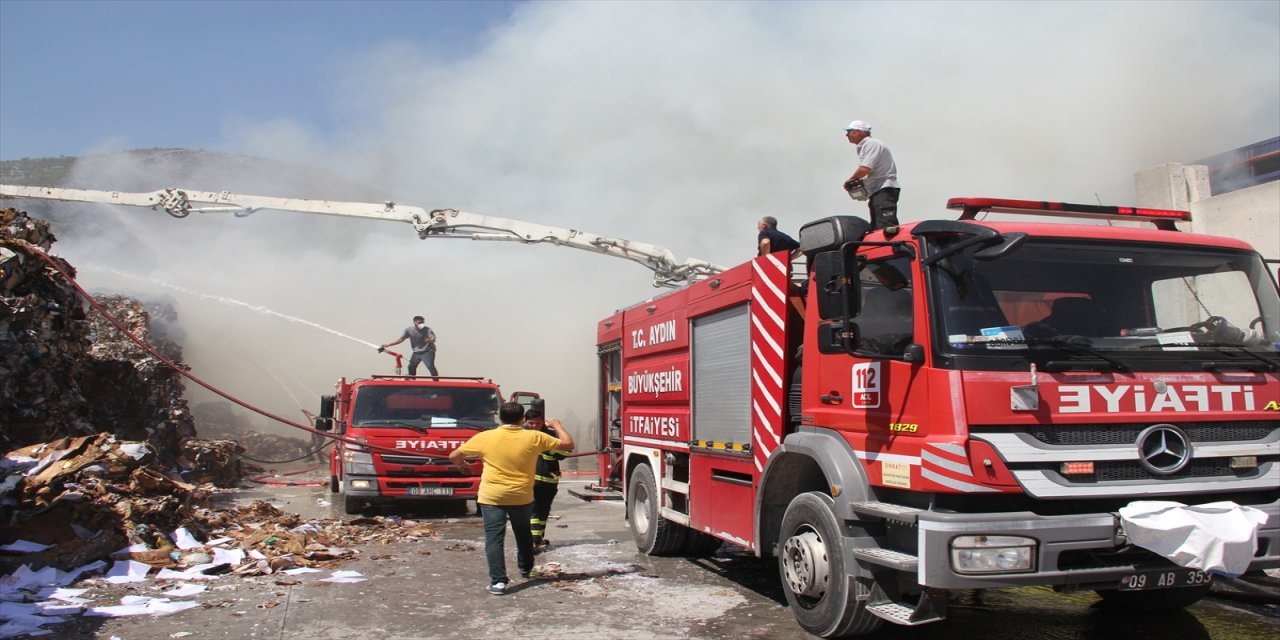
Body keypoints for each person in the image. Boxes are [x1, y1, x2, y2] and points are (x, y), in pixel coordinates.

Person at [448, 402, 575, 596]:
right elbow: (568, 444)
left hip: (491, 497)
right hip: (521, 496)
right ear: (523, 419)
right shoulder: (534, 437)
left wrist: (463, 465)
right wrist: (556, 425)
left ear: (499, 417)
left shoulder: (484, 437)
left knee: (494, 538)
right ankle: (525, 568)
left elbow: (454, 455)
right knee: (523, 533)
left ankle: (498, 582)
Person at [524, 407, 571, 551]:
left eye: (536, 423)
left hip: (547, 479)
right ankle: (534, 540)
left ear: (542, 422)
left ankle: (537, 538)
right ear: (525, 422)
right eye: (530, 423)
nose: (533, 426)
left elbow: (564, 453)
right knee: (533, 511)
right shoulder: (542, 436)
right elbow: (565, 450)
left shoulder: (549, 435)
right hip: (531, 480)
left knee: (543, 511)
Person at [843, 120, 901, 232]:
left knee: (887, 227)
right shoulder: (866, 145)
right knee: (877, 228)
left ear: (858, 132)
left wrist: (851, 180)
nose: (846, 135)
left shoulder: (871, 144)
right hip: (879, 191)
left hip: (884, 189)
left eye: (849, 131)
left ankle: (892, 248)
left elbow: (865, 168)